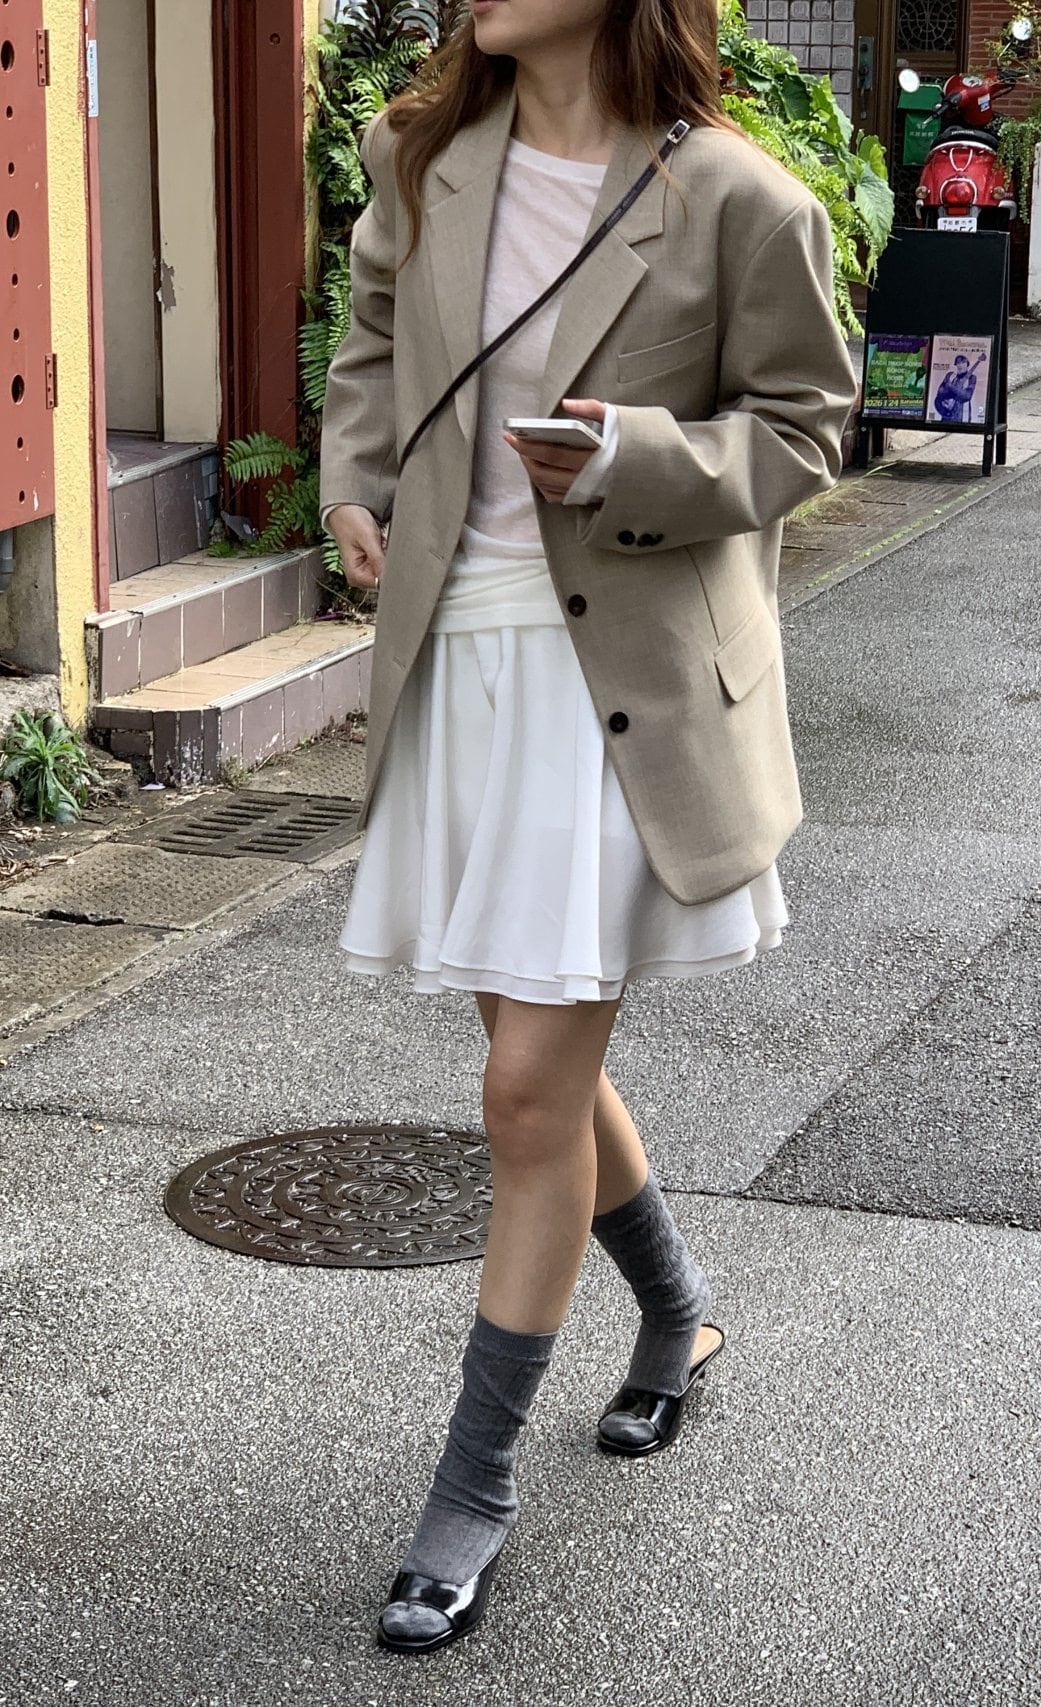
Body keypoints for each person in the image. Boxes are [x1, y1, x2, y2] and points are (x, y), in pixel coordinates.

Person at [319, 0, 855, 1658]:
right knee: (534, 1065)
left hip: (615, 691)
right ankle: (679, 1317)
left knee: (523, 1090)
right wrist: (353, 480)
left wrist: (632, 453)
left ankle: (471, 1491)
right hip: (457, 665)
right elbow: (371, 342)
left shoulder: (740, 199)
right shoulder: (421, 157)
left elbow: (806, 427)